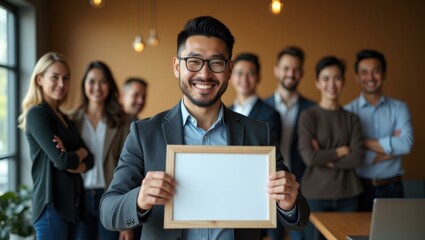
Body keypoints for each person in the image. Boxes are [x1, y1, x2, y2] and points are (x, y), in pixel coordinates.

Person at [99, 16, 310, 240]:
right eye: (193, 61)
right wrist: (140, 199)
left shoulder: (259, 133)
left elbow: (300, 218)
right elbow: (108, 211)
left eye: (216, 63)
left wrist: (289, 203)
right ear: (176, 66)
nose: (204, 73)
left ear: (229, 70)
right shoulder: (144, 133)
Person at [18, 52, 94, 239]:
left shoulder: (65, 118)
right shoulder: (37, 114)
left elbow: (91, 159)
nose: (62, 84)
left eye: (66, 78)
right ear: (39, 79)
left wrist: (76, 158)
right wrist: (79, 154)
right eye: (55, 77)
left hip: (73, 205)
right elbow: (62, 161)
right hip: (51, 205)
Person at [298, 56, 364, 240]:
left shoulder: (352, 119)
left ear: (343, 82)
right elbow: (309, 157)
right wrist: (341, 151)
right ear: (317, 82)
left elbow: (358, 157)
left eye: (337, 78)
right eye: (326, 78)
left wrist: (326, 159)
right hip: (315, 195)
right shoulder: (308, 117)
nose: (331, 84)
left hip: (348, 194)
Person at [344, 49, 414, 211]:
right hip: (358, 187)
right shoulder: (347, 112)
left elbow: (406, 144)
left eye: (376, 71)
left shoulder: (399, 108)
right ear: (356, 77)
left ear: (384, 73)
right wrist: (391, 149)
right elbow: (349, 152)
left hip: (393, 187)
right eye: (364, 72)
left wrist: (362, 142)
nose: (370, 77)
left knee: (395, 235)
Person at [70, 61, 132, 240]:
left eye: (103, 81)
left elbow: (129, 170)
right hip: (79, 198)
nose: (97, 87)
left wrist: (126, 221)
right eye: (91, 81)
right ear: (84, 85)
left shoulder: (123, 122)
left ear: (110, 85)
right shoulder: (72, 121)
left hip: (111, 198)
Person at [264, 46, 315, 240]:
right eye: (286, 68)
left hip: (302, 185)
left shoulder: (313, 109)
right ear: (276, 70)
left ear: (301, 73)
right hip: (270, 186)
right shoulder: (262, 108)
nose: (290, 74)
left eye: (295, 69)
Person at [229, 52, 281, 143]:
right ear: (231, 77)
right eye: (240, 73)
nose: (244, 79)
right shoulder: (225, 112)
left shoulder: (271, 115)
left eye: (250, 73)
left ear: (258, 78)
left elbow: (270, 150)